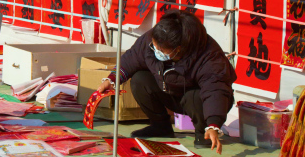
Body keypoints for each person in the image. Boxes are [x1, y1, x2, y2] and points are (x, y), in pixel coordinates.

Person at [97, 10, 235, 155]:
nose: (156, 50)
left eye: (161, 50)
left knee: (194, 97)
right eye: (154, 46)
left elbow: (215, 90)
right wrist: (111, 80)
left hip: (199, 101)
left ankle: (204, 133)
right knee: (139, 79)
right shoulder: (154, 38)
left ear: (178, 49)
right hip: (170, 92)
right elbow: (132, 58)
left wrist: (213, 125)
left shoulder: (209, 56)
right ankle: (160, 126)